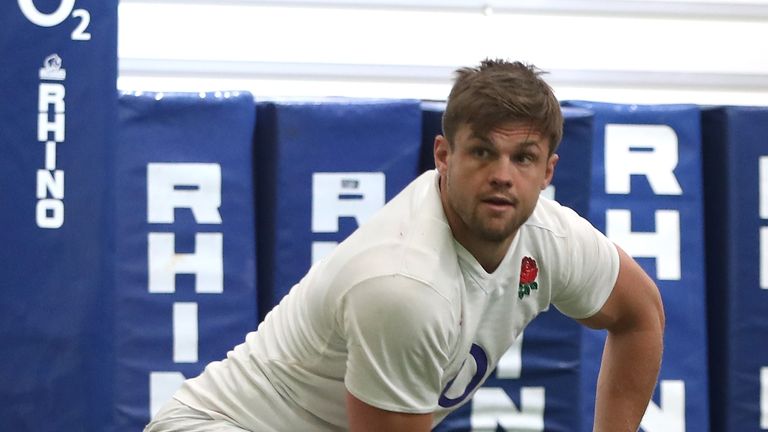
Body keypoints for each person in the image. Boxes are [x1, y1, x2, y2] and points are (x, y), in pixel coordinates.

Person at [145, 59, 665, 432]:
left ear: (548, 171)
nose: (502, 176)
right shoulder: (405, 285)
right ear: (444, 155)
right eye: (482, 151)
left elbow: (641, 316)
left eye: (523, 158)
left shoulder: (552, 238)